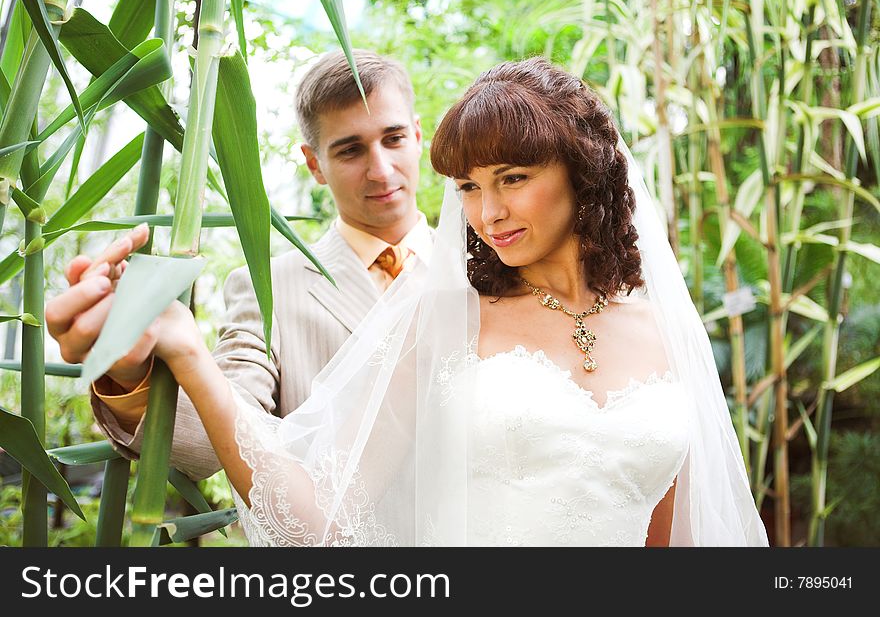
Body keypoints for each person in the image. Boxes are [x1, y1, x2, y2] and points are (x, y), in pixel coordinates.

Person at [56, 57, 770, 546]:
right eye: (468, 186)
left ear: (583, 171)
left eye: (513, 177)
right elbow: (308, 509)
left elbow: (670, 535)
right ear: (315, 163)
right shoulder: (441, 312)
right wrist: (172, 347)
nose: (487, 212)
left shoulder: (665, 330)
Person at [45, 49, 432, 481]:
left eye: (393, 139)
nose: (380, 170)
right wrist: (130, 372)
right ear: (314, 164)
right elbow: (216, 441)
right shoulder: (269, 288)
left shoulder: (494, 269)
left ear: (417, 136)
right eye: (350, 151)